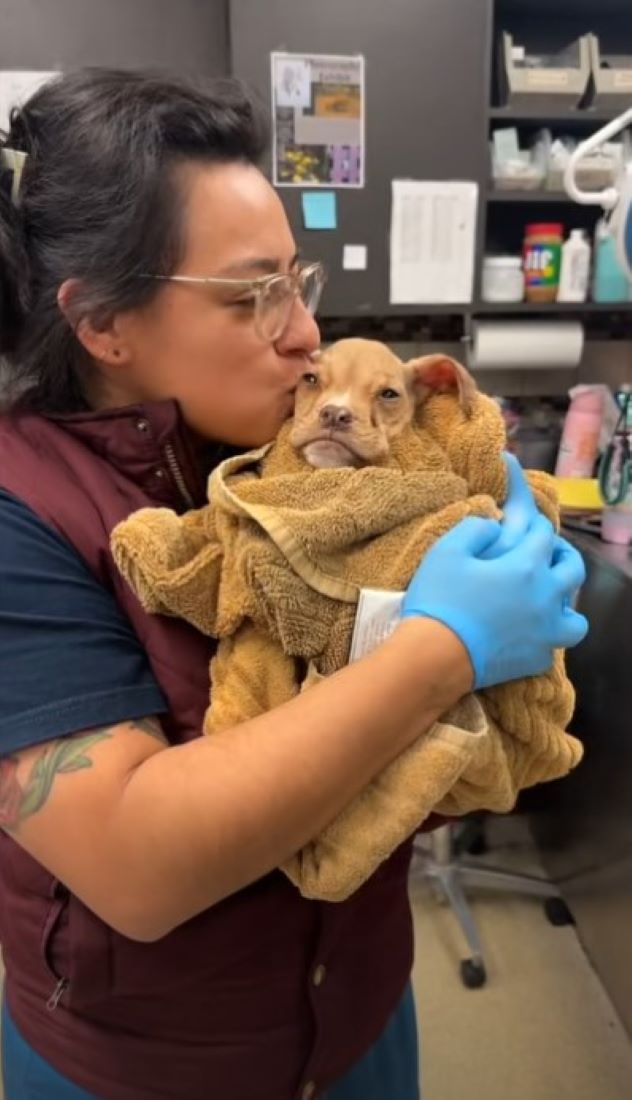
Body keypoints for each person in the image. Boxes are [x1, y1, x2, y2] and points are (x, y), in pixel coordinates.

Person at [0, 69, 588, 1100]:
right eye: (249, 296)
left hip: (358, 1003)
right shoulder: (23, 513)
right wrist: (444, 644)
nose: (302, 335)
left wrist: (488, 511)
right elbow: (140, 866)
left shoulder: (281, 451)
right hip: (154, 1064)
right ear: (102, 322)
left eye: (296, 281)